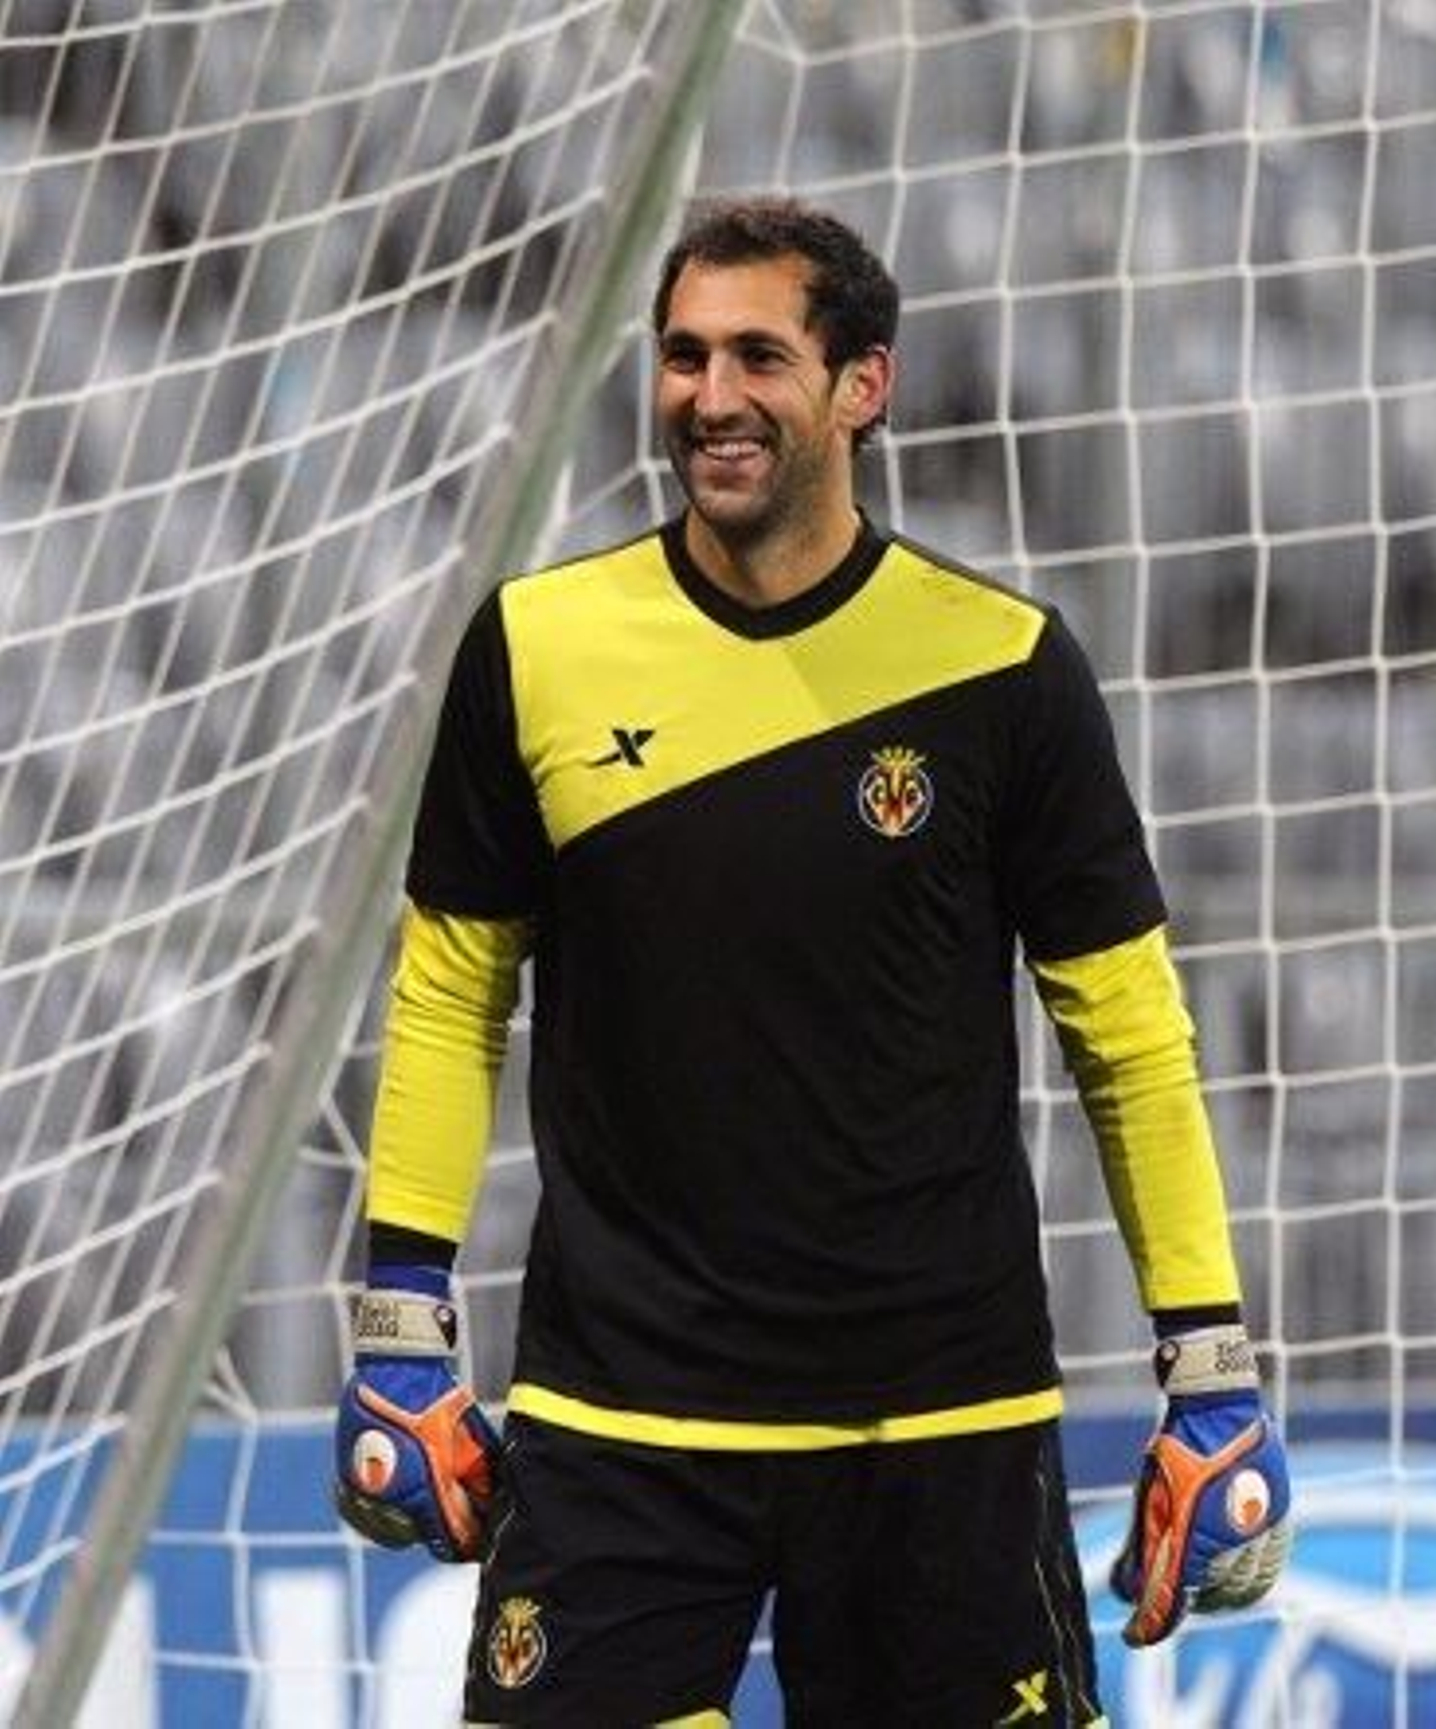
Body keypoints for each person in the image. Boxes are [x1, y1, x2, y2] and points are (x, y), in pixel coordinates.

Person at [334, 195, 1291, 1728]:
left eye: (758, 357)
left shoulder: (1004, 666)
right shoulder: (534, 644)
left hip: (941, 1421)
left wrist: (1212, 1362)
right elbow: (452, 993)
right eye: (684, 355)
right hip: (619, 1416)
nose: (710, 395)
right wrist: (402, 1313)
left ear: (862, 386)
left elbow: (1128, 1031)